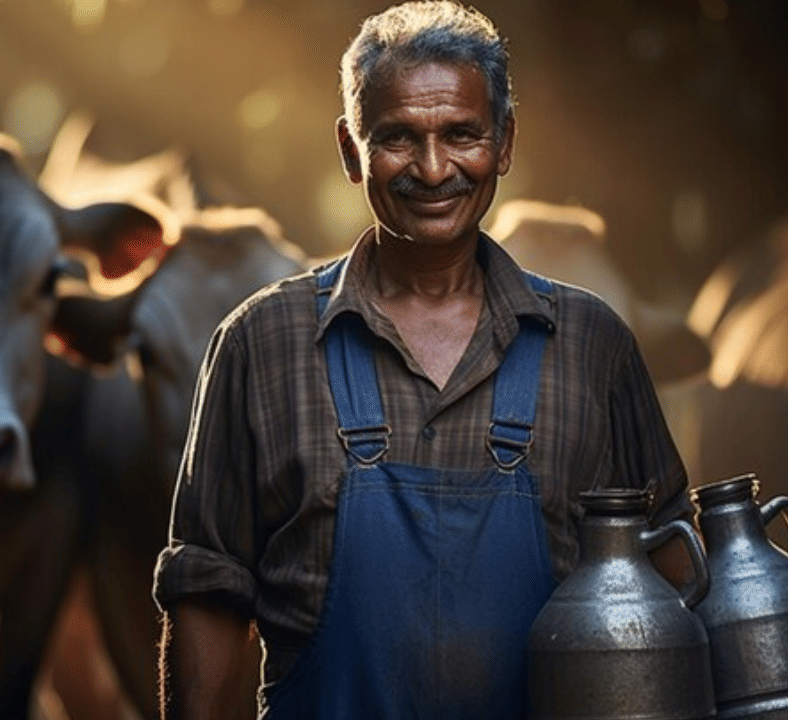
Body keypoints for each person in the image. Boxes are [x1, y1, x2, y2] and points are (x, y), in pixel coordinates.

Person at [152, 2, 692, 718]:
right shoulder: (260, 345)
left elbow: (674, 578)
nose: (434, 169)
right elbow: (206, 598)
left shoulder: (591, 346)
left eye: (462, 134)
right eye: (398, 138)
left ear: (504, 142)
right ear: (351, 151)